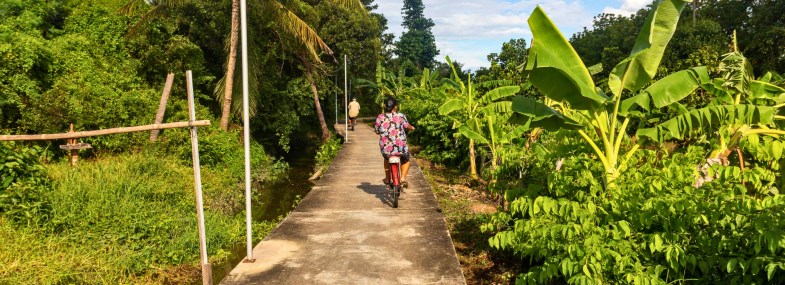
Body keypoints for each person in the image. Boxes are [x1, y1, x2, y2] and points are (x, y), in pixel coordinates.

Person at [374, 96, 415, 188]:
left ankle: (388, 179)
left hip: (386, 148)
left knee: (386, 158)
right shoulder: (400, 116)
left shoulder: (380, 117)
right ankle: (403, 178)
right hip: (400, 147)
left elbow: (377, 130)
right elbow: (407, 125)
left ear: (384, 106)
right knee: (406, 160)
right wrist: (411, 128)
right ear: (395, 107)